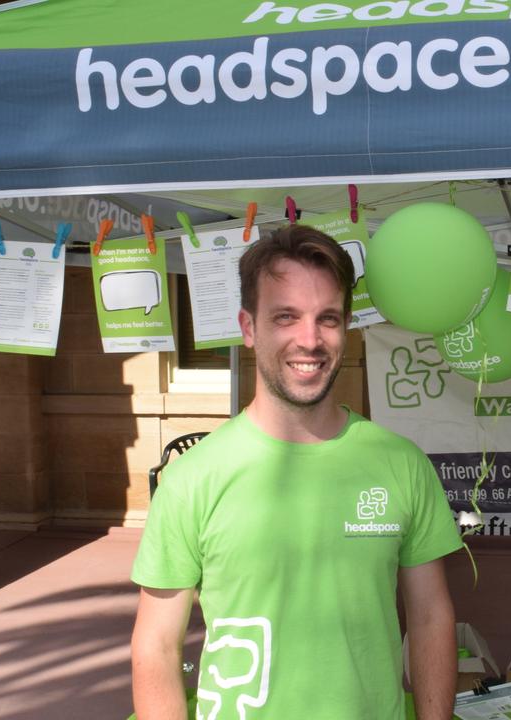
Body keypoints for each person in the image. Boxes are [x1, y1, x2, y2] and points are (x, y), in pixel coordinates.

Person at [130, 225, 462, 720]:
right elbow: (156, 644)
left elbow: (431, 616)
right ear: (249, 327)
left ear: (347, 325)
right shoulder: (193, 479)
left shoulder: (401, 464)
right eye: (286, 317)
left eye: (327, 319)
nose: (310, 340)